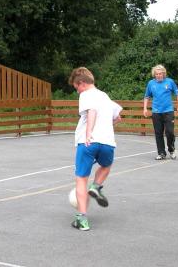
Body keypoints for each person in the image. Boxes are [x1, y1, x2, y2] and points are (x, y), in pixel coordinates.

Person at [68, 67, 122, 231]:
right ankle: (96, 186)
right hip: (107, 141)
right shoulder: (105, 96)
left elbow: (91, 111)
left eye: (76, 88)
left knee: (81, 179)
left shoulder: (87, 95)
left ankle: (82, 219)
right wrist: (105, 126)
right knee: (106, 166)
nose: (77, 92)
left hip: (88, 142)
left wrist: (89, 133)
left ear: (81, 83)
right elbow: (118, 117)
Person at [143, 64, 178, 160]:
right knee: (158, 133)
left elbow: (177, 93)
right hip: (156, 112)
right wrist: (145, 108)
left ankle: (172, 150)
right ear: (154, 75)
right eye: (157, 74)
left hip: (168, 111)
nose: (159, 75)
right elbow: (147, 96)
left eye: (160, 74)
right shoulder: (151, 83)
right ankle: (161, 153)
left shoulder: (170, 82)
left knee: (169, 132)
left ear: (164, 74)